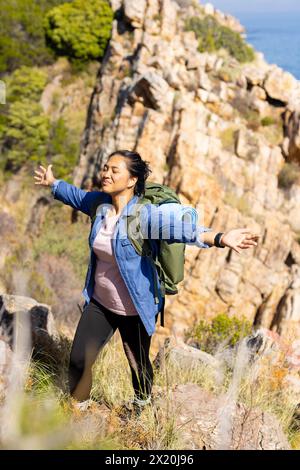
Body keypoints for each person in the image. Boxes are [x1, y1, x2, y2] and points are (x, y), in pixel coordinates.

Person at [34, 150, 259, 417]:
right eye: (105, 167)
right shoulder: (100, 205)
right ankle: (80, 409)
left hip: (135, 309)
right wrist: (53, 184)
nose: (106, 173)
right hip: (100, 304)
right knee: (79, 360)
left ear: (132, 180)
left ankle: (141, 405)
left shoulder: (144, 217)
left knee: (139, 367)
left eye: (114, 170)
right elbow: (77, 197)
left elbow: (183, 230)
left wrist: (221, 237)